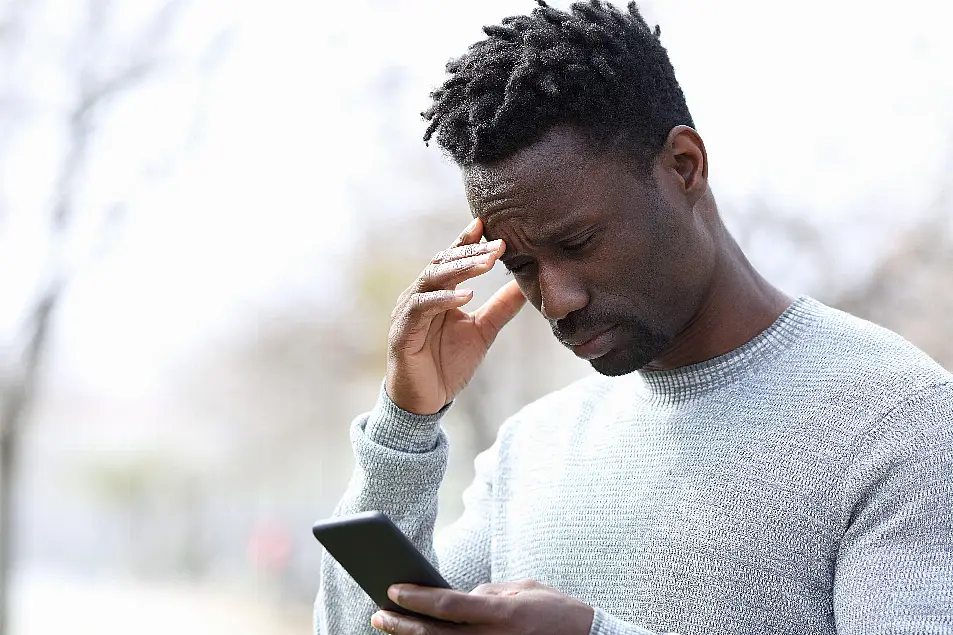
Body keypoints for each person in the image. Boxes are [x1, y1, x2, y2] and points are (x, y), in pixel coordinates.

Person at [315, 2, 953, 634]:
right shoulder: (532, 450)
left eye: (580, 243)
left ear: (684, 167)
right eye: (523, 265)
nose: (557, 300)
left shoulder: (901, 419)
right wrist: (404, 428)